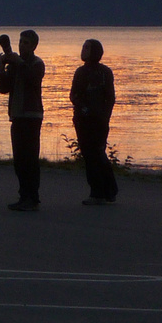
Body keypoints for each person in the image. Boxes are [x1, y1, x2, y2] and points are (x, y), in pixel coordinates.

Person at [0, 29, 45, 211]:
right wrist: (2, 67)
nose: (22, 45)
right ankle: (23, 195)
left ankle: (32, 197)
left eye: (26, 42)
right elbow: (3, 88)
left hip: (32, 116)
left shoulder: (37, 63)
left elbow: (32, 78)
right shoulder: (16, 65)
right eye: (21, 41)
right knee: (19, 160)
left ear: (33, 46)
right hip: (17, 115)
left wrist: (18, 62)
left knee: (30, 159)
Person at [70, 38, 117, 205]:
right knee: (91, 154)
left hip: (97, 120)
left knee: (95, 154)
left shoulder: (103, 73)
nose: (83, 50)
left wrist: (104, 116)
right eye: (83, 46)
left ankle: (101, 192)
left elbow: (110, 98)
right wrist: (82, 107)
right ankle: (104, 190)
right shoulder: (80, 72)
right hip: (84, 120)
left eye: (87, 47)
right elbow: (73, 95)